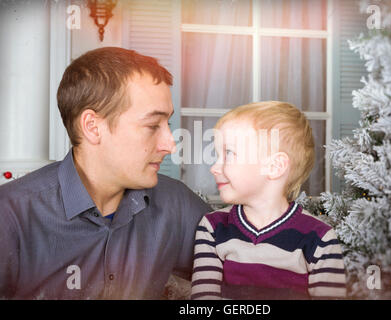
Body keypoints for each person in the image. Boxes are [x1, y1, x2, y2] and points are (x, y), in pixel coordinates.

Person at [0, 47, 211, 299]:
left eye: (168, 124)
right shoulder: (10, 216)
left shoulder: (177, 204)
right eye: (152, 125)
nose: (170, 143)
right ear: (92, 127)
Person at [191, 101, 347, 300]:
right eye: (217, 155)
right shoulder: (213, 228)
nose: (214, 167)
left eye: (229, 153)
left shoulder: (319, 238)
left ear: (274, 167)